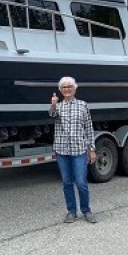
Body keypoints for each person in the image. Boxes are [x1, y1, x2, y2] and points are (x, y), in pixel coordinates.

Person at [49, 76, 97, 223]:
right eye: (64, 87)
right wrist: (53, 105)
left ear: (75, 88)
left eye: (70, 86)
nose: (67, 89)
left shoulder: (83, 105)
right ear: (60, 90)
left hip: (79, 150)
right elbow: (52, 116)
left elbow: (88, 127)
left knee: (81, 182)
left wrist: (92, 149)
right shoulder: (57, 106)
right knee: (67, 182)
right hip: (62, 150)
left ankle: (86, 210)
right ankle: (71, 211)